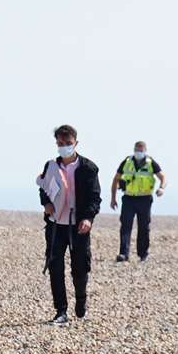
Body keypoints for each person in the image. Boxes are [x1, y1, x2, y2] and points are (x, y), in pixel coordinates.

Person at [37, 124, 102, 323]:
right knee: (55, 266)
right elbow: (44, 189)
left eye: (68, 143)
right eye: (60, 143)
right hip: (56, 226)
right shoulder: (51, 166)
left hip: (79, 227)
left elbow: (95, 198)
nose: (64, 146)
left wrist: (88, 219)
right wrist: (46, 203)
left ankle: (81, 300)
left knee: (80, 267)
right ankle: (61, 311)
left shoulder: (88, 168)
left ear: (76, 143)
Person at [111, 140, 166, 262]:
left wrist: (161, 188)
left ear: (145, 150)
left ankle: (143, 254)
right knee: (125, 226)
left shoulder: (150, 163)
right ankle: (123, 253)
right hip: (129, 198)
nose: (138, 152)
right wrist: (113, 198)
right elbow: (116, 179)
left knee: (144, 227)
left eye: (141, 150)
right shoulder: (127, 162)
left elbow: (162, 177)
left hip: (145, 199)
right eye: (137, 149)